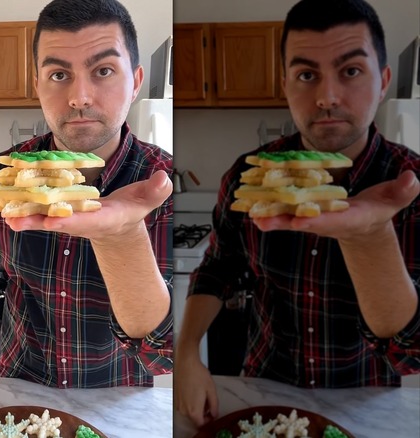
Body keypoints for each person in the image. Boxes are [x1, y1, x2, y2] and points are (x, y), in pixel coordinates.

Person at [0, 0, 174, 428]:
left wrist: (121, 236)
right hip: (17, 391)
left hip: (116, 405)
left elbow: (162, 351)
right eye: (59, 74)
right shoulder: (2, 177)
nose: (78, 97)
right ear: (37, 84)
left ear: (135, 82)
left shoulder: (162, 186)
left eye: (103, 71)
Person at [175, 0, 420, 428]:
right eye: (307, 75)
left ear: (382, 81)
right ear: (286, 83)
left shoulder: (410, 186)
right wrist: (187, 352)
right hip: (264, 390)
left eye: (350, 71)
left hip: (366, 401)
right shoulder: (250, 178)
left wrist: (370, 237)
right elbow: (218, 268)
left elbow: (413, 349)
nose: (326, 97)